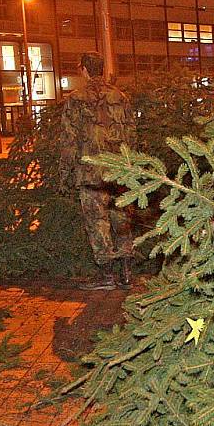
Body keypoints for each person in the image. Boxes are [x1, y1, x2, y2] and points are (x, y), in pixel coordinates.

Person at [59, 52, 136, 290]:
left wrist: (64, 175)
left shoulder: (76, 99)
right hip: (118, 172)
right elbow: (132, 135)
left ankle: (107, 275)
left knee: (97, 223)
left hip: (91, 173)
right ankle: (126, 273)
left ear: (83, 70)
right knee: (121, 219)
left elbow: (69, 141)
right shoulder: (120, 97)